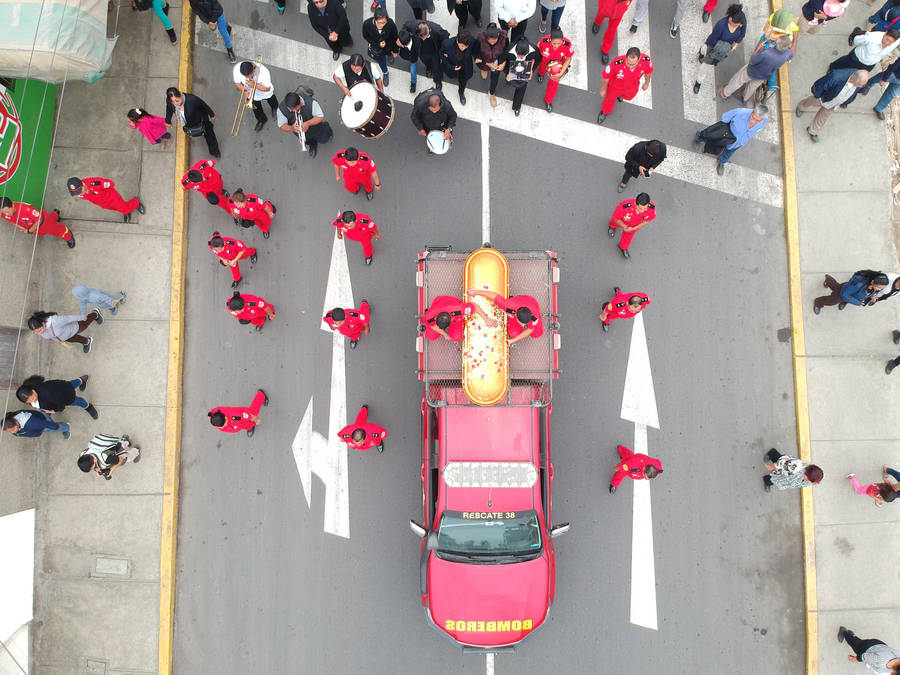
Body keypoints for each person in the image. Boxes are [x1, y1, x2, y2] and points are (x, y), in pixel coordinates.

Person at [795, 69, 868, 141]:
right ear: (853, 80)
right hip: (823, 98)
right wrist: (817, 95)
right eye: (861, 85)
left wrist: (844, 102)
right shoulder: (836, 76)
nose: (862, 86)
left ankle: (812, 131)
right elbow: (821, 85)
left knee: (822, 118)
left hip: (834, 104)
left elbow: (856, 91)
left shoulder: (859, 82)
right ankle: (801, 107)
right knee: (810, 102)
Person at [695, 104, 769, 176]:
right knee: (712, 136)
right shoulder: (740, 112)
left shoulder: (764, 120)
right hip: (727, 135)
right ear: (752, 111)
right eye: (753, 117)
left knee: (728, 153)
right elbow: (725, 118)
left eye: (757, 120)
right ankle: (700, 137)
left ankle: (721, 162)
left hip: (738, 143)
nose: (754, 121)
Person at [718, 35, 793, 104]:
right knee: (752, 87)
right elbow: (792, 53)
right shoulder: (787, 54)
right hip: (764, 76)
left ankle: (724, 93)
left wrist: (759, 47)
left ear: (776, 44)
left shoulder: (767, 53)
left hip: (751, 71)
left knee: (738, 81)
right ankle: (745, 99)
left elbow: (751, 61)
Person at [693, 4, 746, 95]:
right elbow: (712, 41)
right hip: (713, 47)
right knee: (704, 66)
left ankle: (701, 56)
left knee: (706, 63)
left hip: (722, 49)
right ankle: (698, 82)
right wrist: (713, 56)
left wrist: (736, 44)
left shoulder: (742, 22)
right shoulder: (721, 25)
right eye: (736, 24)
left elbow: (742, 35)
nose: (729, 20)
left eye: (738, 24)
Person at [597, 46, 652, 124]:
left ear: (639, 59)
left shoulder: (645, 61)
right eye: (628, 63)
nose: (630, 66)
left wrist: (647, 83)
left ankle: (620, 96)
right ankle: (605, 111)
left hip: (631, 87)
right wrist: (603, 89)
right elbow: (606, 76)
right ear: (626, 57)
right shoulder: (617, 63)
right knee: (609, 100)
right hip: (615, 87)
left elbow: (648, 72)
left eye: (633, 64)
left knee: (629, 97)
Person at [467, 288, 543, 344]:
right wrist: (476, 292)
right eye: (522, 323)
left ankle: (514, 321)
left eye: (524, 324)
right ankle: (510, 318)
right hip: (519, 302)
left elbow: (530, 330)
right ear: (516, 316)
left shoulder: (535, 317)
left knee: (537, 334)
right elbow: (494, 296)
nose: (523, 326)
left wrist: (513, 341)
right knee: (514, 333)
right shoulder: (509, 305)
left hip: (532, 303)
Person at [1, 197, 75, 248]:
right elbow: (12, 221)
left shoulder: (27, 209)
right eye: (4, 212)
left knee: (57, 229)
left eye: (7, 211)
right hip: (32, 227)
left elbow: (39, 220)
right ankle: (55, 215)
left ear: (12, 205)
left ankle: (68, 235)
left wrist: (29, 231)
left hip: (42, 223)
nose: (6, 214)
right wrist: (23, 229)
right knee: (44, 228)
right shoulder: (3, 213)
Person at [164, 87, 219, 157]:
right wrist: (168, 121)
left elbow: (203, 105)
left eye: (177, 101)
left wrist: (211, 114)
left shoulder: (192, 99)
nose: (175, 104)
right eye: (173, 102)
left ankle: (215, 151)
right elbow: (169, 109)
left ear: (180, 95)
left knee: (209, 135)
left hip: (201, 120)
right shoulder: (170, 102)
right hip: (189, 124)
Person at [276, 90, 331, 158]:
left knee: (324, 139)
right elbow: (282, 125)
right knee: (307, 141)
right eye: (292, 109)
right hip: (303, 134)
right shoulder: (281, 109)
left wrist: (307, 123)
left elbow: (320, 117)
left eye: (296, 108)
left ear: (300, 102)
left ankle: (328, 131)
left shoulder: (311, 102)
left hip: (316, 128)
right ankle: (312, 145)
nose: (294, 111)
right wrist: (292, 128)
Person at [16, 374, 98, 420]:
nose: (33, 401)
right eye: (29, 401)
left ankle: (87, 406)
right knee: (70, 384)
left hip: (65, 395)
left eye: (32, 397)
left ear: (32, 390)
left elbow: (61, 403)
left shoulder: (47, 393)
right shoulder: (34, 387)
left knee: (76, 401)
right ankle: (81, 380)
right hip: (60, 386)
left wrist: (54, 410)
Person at [66, 176, 144, 223]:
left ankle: (136, 203)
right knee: (118, 208)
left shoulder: (95, 183)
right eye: (76, 192)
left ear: (82, 184)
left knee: (124, 208)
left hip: (112, 198)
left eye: (80, 190)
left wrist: (110, 194)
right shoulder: (79, 194)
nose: (80, 193)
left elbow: (111, 184)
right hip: (103, 204)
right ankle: (125, 210)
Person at [813, 270, 889, 314]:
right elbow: (844, 294)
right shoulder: (858, 284)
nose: (879, 290)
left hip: (852, 294)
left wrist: (873, 300)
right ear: (872, 282)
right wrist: (858, 303)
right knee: (832, 301)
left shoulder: (874, 287)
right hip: (843, 292)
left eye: (882, 288)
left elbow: (868, 295)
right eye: (879, 287)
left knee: (836, 287)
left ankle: (828, 280)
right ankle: (818, 302)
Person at [403, 20, 450, 91]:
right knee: (425, 61)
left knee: (436, 66)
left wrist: (445, 49)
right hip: (421, 49)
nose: (423, 39)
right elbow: (405, 26)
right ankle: (429, 68)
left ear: (429, 30)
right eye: (421, 37)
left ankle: (438, 80)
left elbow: (446, 36)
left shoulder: (436, 29)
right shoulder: (413, 25)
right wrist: (403, 37)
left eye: (425, 37)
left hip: (434, 50)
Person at [233, 61, 279, 133]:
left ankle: (275, 108)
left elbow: (267, 88)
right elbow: (237, 83)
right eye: (245, 76)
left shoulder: (264, 72)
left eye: (249, 76)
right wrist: (245, 91)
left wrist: (254, 85)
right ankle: (261, 119)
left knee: (271, 100)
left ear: (253, 70)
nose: (247, 78)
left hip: (265, 92)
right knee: (256, 108)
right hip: (252, 94)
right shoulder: (237, 69)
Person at [28, 309, 102, 353]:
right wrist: (59, 341)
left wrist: (82, 317)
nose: (40, 332)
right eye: (37, 332)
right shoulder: (38, 331)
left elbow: (69, 318)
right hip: (65, 337)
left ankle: (95, 314)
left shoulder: (55, 321)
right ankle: (87, 341)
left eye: (40, 330)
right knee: (75, 339)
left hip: (74, 327)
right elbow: (49, 336)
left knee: (85, 323)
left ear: (43, 323)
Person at [607, 193, 656, 259]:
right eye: (640, 208)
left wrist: (634, 228)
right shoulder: (624, 206)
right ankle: (612, 226)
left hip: (634, 226)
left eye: (645, 208)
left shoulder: (651, 208)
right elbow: (616, 218)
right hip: (622, 221)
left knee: (628, 238)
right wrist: (625, 227)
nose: (642, 211)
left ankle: (623, 247)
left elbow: (647, 220)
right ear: (635, 203)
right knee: (614, 222)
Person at [422, 295, 492, 341]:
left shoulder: (458, 311)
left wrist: (486, 319)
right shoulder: (430, 317)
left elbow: (474, 306)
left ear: (451, 319)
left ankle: (456, 322)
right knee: (431, 337)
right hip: (439, 304)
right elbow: (433, 326)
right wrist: (445, 335)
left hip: (452, 302)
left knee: (456, 337)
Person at [536, 27, 573, 112]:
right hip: (545, 60)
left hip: (557, 65)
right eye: (554, 43)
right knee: (541, 69)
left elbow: (568, 58)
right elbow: (538, 47)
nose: (556, 46)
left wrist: (562, 72)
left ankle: (548, 100)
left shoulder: (567, 45)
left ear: (562, 41)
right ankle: (540, 74)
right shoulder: (544, 41)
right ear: (550, 39)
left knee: (554, 84)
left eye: (559, 43)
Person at [830, 29, 900, 72]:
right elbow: (856, 40)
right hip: (857, 58)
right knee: (842, 64)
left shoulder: (895, 42)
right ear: (885, 33)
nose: (887, 43)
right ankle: (832, 68)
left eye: (890, 42)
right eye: (887, 39)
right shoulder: (871, 38)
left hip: (870, 65)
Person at [504, 39, 542, 117]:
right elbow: (504, 61)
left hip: (525, 69)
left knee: (522, 87)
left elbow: (538, 59)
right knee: (509, 79)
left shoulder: (534, 50)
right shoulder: (509, 49)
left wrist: (531, 70)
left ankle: (516, 106)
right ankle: (509, 81)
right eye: (519, 55)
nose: (520, 58)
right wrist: (507, 73)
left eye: (523, 56)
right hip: (512, 67)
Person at [474, 24, 509, 107]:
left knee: (495, 78)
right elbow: (475, 52)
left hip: (497, 62)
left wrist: (503, 62)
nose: (492, 42)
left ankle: (492, 93)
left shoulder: (504, 39)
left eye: (495, 40)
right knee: (484, 68)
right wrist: (486, 63)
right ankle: (484, 69)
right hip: (484, 61)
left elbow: (506, 51)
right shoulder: (480, 39)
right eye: (490, 40)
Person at [363, 7, 399, 85]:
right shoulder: (367, 24)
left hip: (389, 46)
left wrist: (395, 50)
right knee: (382, 62)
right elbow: (366, 36)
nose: (382, 25)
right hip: (378, 49)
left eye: (384, 22)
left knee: (389, 53)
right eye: (379, 23)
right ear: (375, 19)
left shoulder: (390, 23)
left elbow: (395, 37)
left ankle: (389, 55)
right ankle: (385, 72)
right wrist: (377, 44)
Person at [440, 32, 476, 104]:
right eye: (462, 46)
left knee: (463, 81)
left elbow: (476, 50)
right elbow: (442, 55)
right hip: (453, 66)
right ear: (457, 41)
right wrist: (451, 67)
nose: (464, 48)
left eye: (466, 46)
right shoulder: (447, 44)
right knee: (452, 75)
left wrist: (477, 57)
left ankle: (461, 93)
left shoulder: (472, 40)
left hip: (465, 66)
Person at [4, 410, 70, 440]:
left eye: (12, 430)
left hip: (42, 423)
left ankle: (66, 427)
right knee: (47, 420)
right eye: (9, 431)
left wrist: (56, 427)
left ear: (16, 423)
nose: (12, 433)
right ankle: (47, 413)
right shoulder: (14, 417)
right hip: (38, 418)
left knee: (52, 426)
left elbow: (45, 424)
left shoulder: (32, 423)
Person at [396, 29, 421, 94]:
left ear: (404, 45)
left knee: (413, 71)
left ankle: (413, 83)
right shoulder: (402, 37)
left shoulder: (417, 41)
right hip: (406, 56)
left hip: (413, 59)